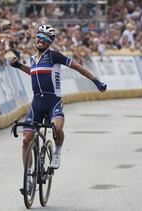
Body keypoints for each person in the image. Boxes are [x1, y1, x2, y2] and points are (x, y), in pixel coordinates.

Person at [10, 25, 107, 192]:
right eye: (39, 36)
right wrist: (19, 66)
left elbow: (77, 66)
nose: (40, 39)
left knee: (57, 128)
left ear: (50, 41)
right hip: (36, 104)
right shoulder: (33, 58)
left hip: (53, 101)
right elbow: (33, 72)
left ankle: (57, 151)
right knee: (26, 139)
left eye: (45, 38)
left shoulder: (54, 56)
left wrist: (95, 80)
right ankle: (30, 175)